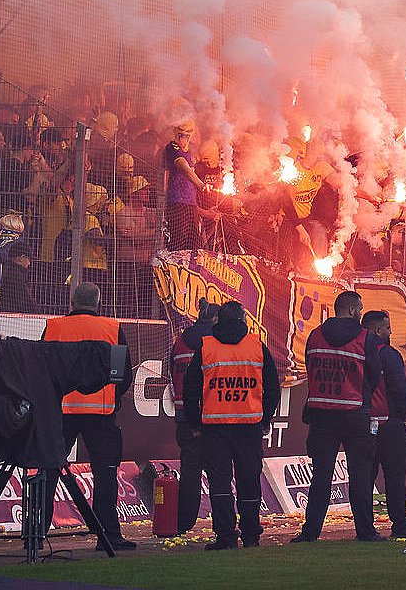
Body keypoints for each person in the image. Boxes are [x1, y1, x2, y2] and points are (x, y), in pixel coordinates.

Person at [42, 281, 136, 551]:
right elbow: (122, 373)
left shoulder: (54, 327)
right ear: (98, 302)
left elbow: (43, 366)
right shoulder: (111, 327)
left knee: (49, 469)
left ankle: (37, 532)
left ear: (72, 302)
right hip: (101, 412)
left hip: (62, 410)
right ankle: (108, 535)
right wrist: (112, 396)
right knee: (105, 474)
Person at [183, 301, 279, 550]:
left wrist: (195, 423)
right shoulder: (257, 346)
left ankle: (225, 537)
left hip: (215, 429)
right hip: (249, 427)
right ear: (244, 321)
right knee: (249, 482)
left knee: (220, 484)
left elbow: (190, 390)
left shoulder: (206, 347)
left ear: (217, 321)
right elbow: (273, 389)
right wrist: (264, 419)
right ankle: (250, 535)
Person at [295, 290, 384, 543]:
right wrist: (360, 394)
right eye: (361, 308)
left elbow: (310, 369)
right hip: (355, 413)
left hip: (321, 415)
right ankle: (365, 532)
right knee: (361, 476)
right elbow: (375, 375)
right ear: (354, 310)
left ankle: (310, 532)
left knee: (321, 477)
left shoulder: (314, 335)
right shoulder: (365, 338)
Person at [363, 310, 406, 538]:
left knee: (364, 479)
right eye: (388, 327)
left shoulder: (356, 352)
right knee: (395, 478)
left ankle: (365, 528)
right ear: (378, 330)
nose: (391, 331)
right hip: (389, 423)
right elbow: (399, 386)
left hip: (362, 424)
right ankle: (400, 524)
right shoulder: (388, 354)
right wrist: (405, 412)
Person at [168, 301, 221, 535]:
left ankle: (183, 523)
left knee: (190, 471)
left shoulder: (180, 341)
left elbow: (172, 372)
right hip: (211, 416)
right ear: (216, 320)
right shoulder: (215, 344)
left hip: (184, 418)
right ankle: (223, 524)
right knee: (219, 473)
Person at [164, 121, 210, 251]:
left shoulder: (190, 152)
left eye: (186, 136)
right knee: (179, 244)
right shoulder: (172, 148)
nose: (183, 139)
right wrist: (201, 184)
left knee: (195, 244)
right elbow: (184, 168)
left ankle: (192, 271)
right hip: (177, 203)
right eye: (181, 135)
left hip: (191, 205)